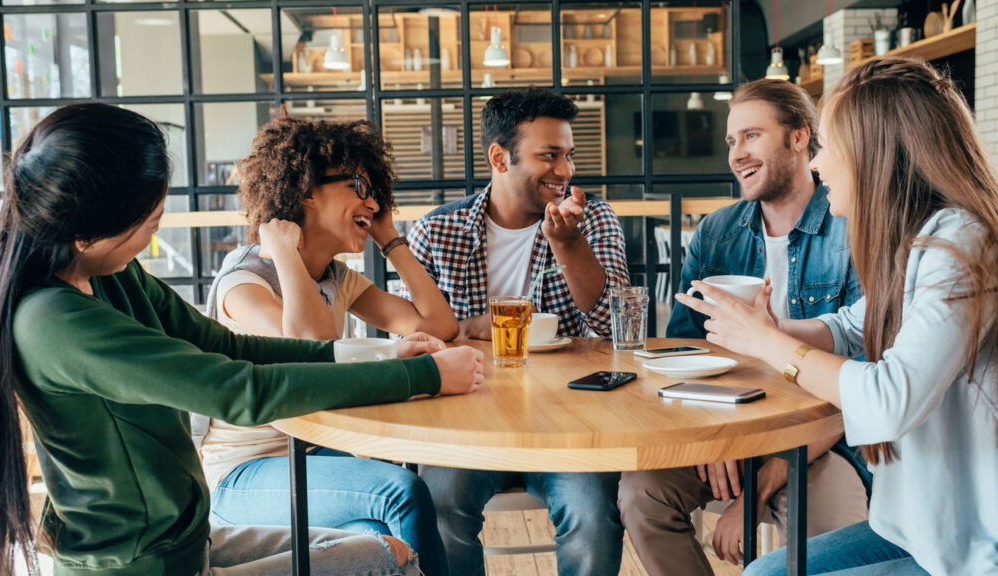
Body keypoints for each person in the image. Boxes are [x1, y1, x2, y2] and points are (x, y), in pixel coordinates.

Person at [0, 103, 485, 576]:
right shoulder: (54, 322)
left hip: (188, 539)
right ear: (86, 231)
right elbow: (238, 389)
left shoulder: (110, 273)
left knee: (384, 547)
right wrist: (421, 376)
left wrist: (384, 352)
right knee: (386, 558)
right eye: (147, 224)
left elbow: (226, 346)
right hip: (141, 563)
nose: (154, 236)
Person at [678, 58, 998, 575]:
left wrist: (771, 344)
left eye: (829, 147)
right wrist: (766, 327)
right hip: (911, 530)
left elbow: (889, 399)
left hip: (970, 549)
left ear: (878, 153)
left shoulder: (962, 246)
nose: (819, 165)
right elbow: (851, 326)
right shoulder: (915, 242)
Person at [618, 79, 868, 574]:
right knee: (641, 492)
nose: (736, 153)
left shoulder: (852, 228)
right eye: (732, 141)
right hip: (725, 426)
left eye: (751, 136)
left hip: (819, 436)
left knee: (830, 531)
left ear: (800, 137)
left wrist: (758, 488)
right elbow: (683, 349)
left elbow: (862, 380)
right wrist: (712, 436)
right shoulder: (717, 232)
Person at [197, 116, 457, 576]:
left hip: (312, 450)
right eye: (360, 185)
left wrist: (390, 239)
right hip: (244, 474)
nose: (373, 202)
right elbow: (310, 344)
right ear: (306, 192)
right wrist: (281, 251)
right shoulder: (245, 281)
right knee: (402, 491)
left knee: (374, 534)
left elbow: (440, 325)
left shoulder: (337, 277)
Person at [406, 87, 630, 576]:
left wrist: (568, 246)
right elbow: (409, 341)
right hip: (466, 423)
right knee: (438, 508)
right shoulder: (434, 232)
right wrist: (469, 327)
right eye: (549, 155)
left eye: (568, 155)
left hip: (570, 421)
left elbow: (614, 328)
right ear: (499, 157)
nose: (565, 171)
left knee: (593, 516)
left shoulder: (591, 220)